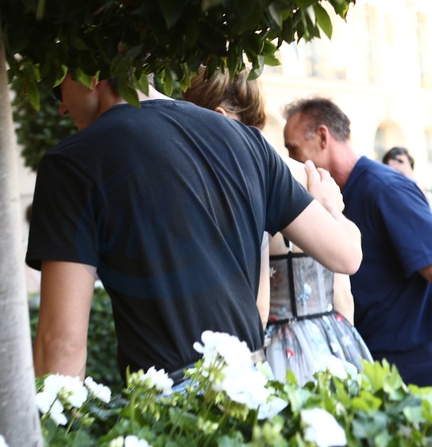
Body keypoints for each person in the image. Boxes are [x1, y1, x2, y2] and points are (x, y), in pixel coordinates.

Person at [26, 73, 363, 388]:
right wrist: (330, 205)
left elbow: (62, 345)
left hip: (167, 406)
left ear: (90, 74)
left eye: (57, 89)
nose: (62, 107)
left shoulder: (70, 163)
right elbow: (346, 256)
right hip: (251, 393)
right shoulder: (248, 141)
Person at [282, 97, 432, 430]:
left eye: (294, 149)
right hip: (376, 364)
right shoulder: (335, 194)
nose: (291, 160)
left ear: (323, 137)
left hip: (416, 366)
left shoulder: (385, 189)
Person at [182, 68, 372, 384]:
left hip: (278, 352)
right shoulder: (312, 177)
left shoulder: (242, 186)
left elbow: (259, 306)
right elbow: (344, 295)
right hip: (335, 340)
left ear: (218, 117)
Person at [382, 146, 432, 223]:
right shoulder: (385, 202)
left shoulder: (431, 201)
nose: (396, 167)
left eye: (400, 162)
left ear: (411, 166)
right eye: (391, 165)